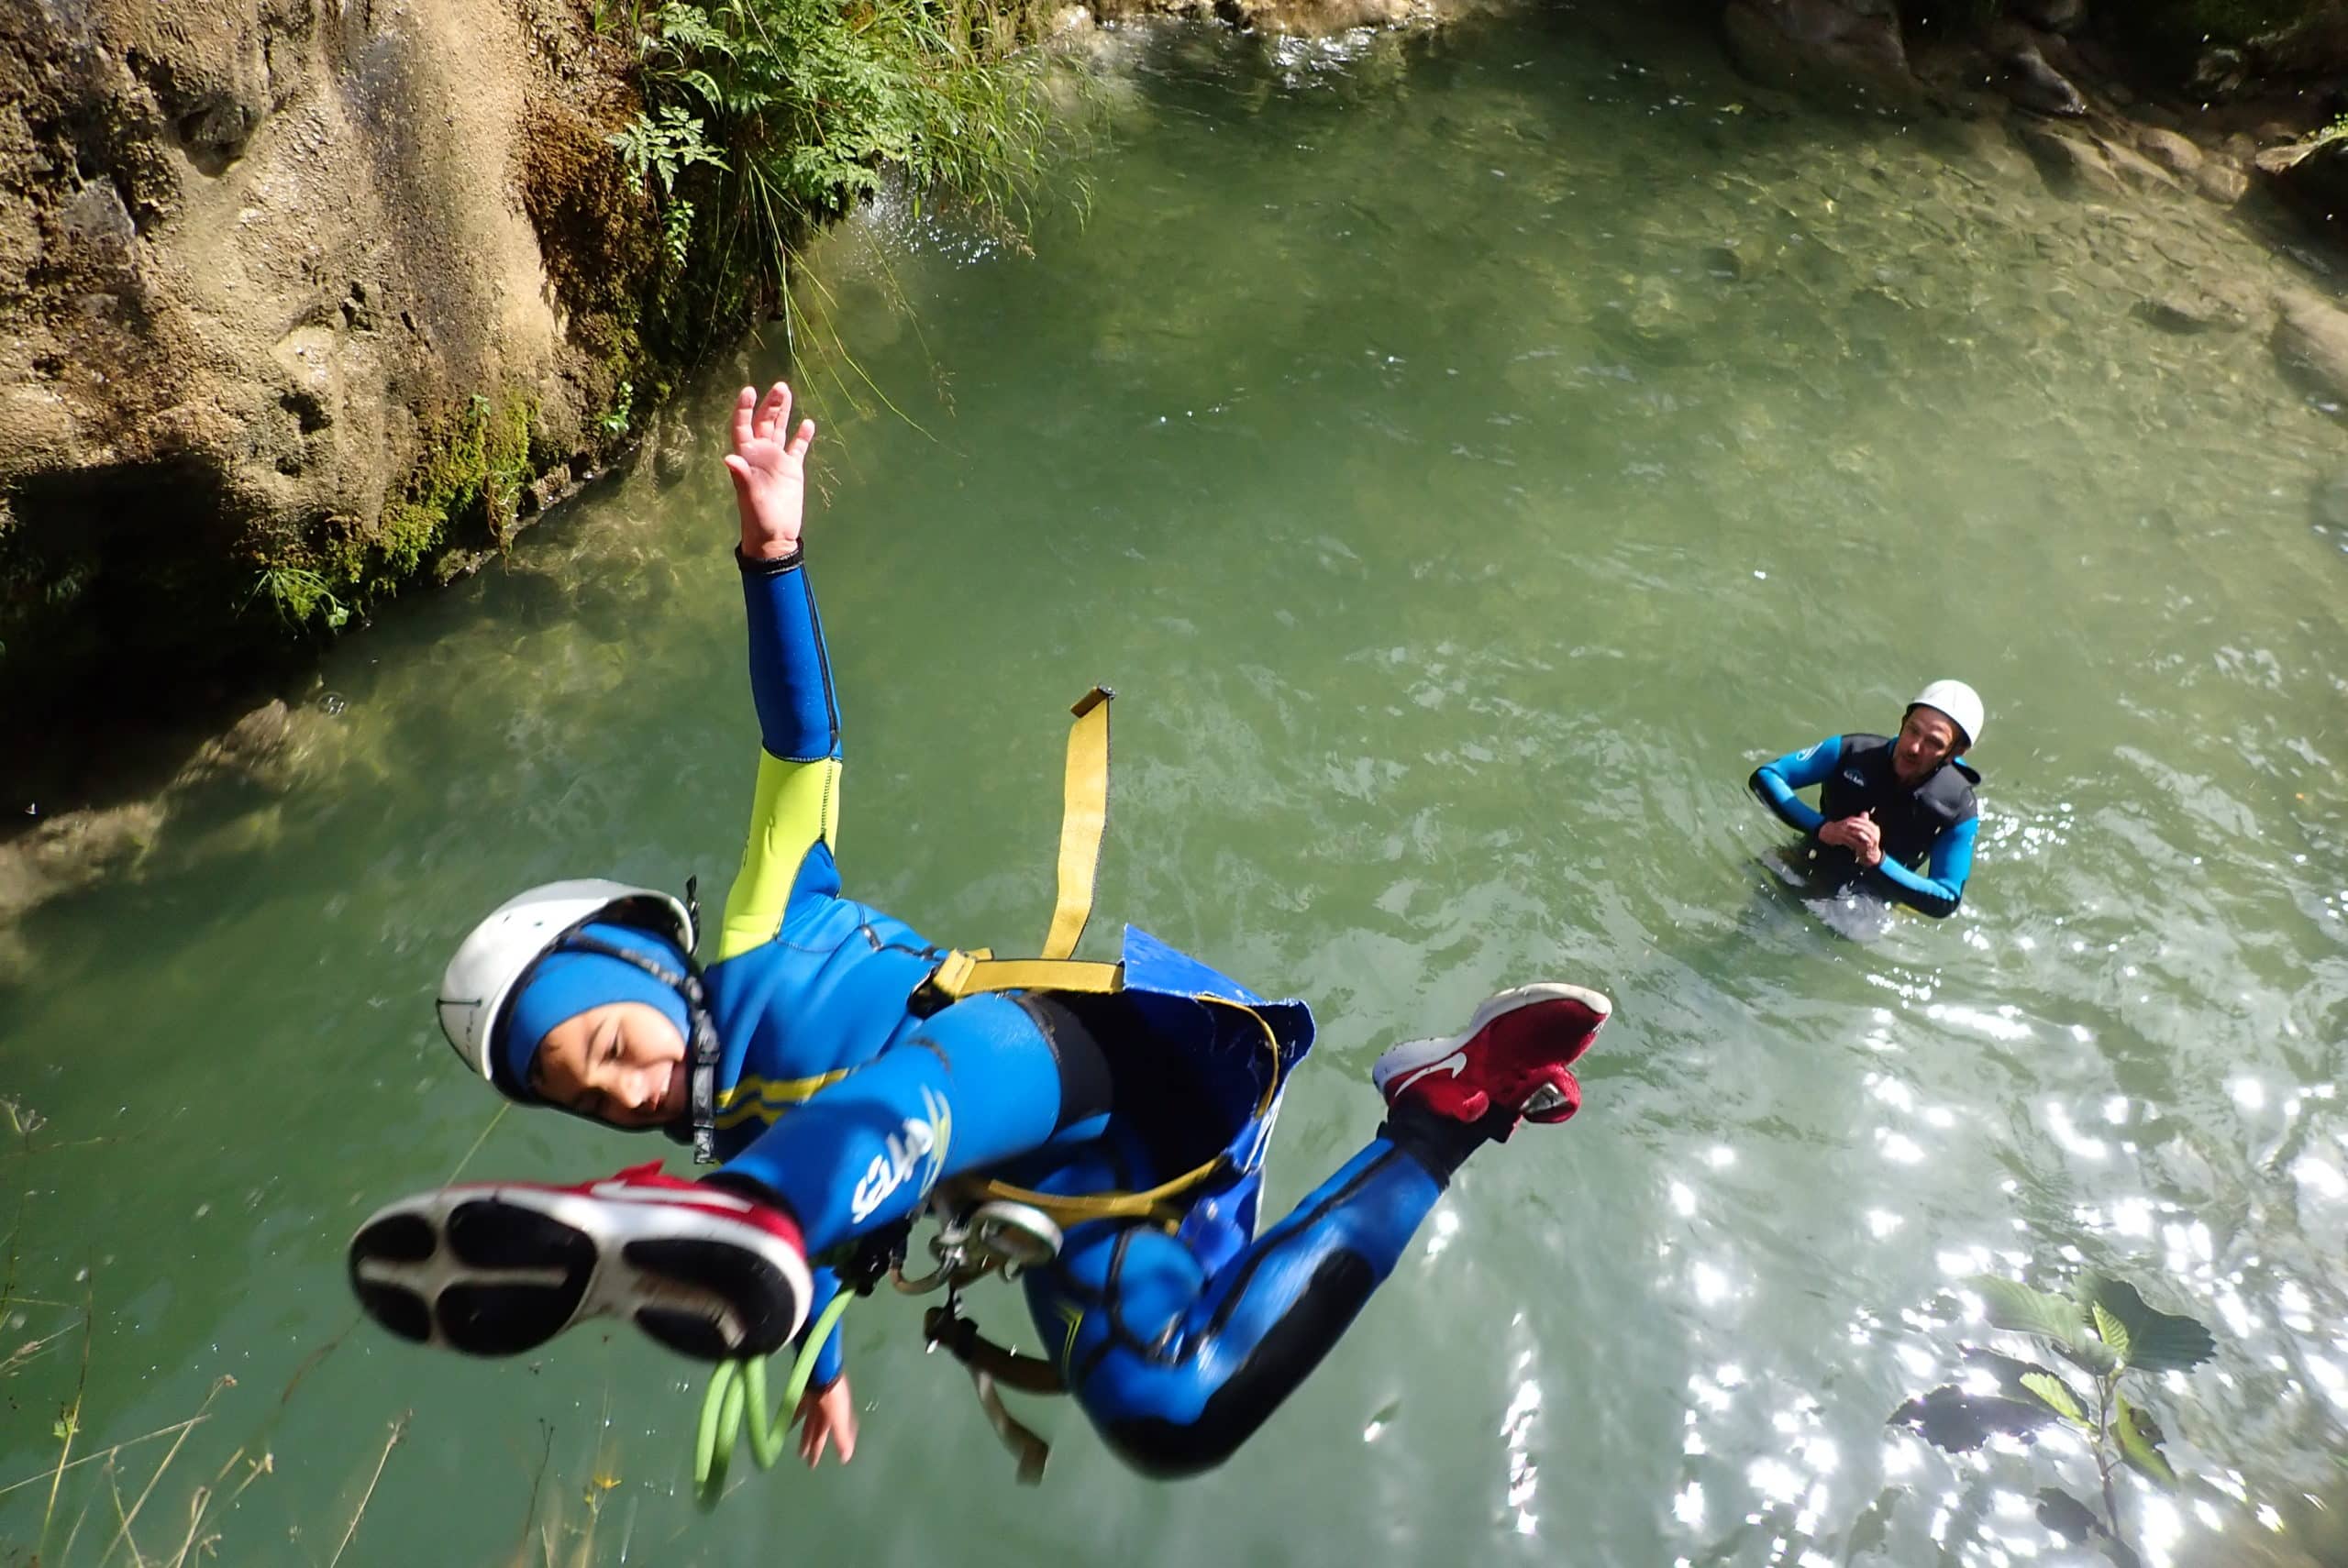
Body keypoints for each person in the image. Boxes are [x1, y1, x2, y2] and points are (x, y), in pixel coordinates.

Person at [348, 381, 1613, 1478]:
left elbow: (801, 740)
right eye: (592, 1101)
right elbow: (822, 1256)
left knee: (885, 1125)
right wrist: (815, 1362)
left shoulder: (752, 926)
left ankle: (756, 1223)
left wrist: (772, 558)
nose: (627, 1088)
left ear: (644, 960)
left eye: (607, 1041)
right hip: (1069, 1191)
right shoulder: (738, 1151)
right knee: (1174, 1415)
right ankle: (1441, 1118)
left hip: (1049, 1049)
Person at [1747, 682, 1985, 920]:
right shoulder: (1853, 752)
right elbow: (1766, 777)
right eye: (1913, 730)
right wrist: (1823, 828)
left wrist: (1877, 860)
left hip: (1870, 901)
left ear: (1957, 752)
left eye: (1933, 742)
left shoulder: (1958, 808)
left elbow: (1947, 897)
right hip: (1812, 857)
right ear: (1903, 722)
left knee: (1839, 933)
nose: (1914, 747)